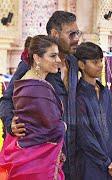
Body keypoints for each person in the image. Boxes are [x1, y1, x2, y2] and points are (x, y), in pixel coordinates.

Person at [0, 11, 81, 180]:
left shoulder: (73, 62)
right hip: (39, 158)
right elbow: (6, 100)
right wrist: (10, 124)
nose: (76, 38)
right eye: (71, 34)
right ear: (55, 34)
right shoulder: (33, 65)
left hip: (69, 153)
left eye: (77, 33)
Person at [0, 35, 66, 179]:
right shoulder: (36, 87)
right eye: (53, 56)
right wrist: (63, 126)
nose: (58, 60)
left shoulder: (31, 81)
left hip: (27, 156)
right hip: (36, 162)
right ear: (37, 58)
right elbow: (52, 126)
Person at [75, 42, 112, 180]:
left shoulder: (105, 92)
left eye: (101, 60)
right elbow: (84, 135)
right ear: (81, 65)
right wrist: (107, 163)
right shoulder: (78, 95)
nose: (100, 65)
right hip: (91, 165)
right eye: (95, 62)